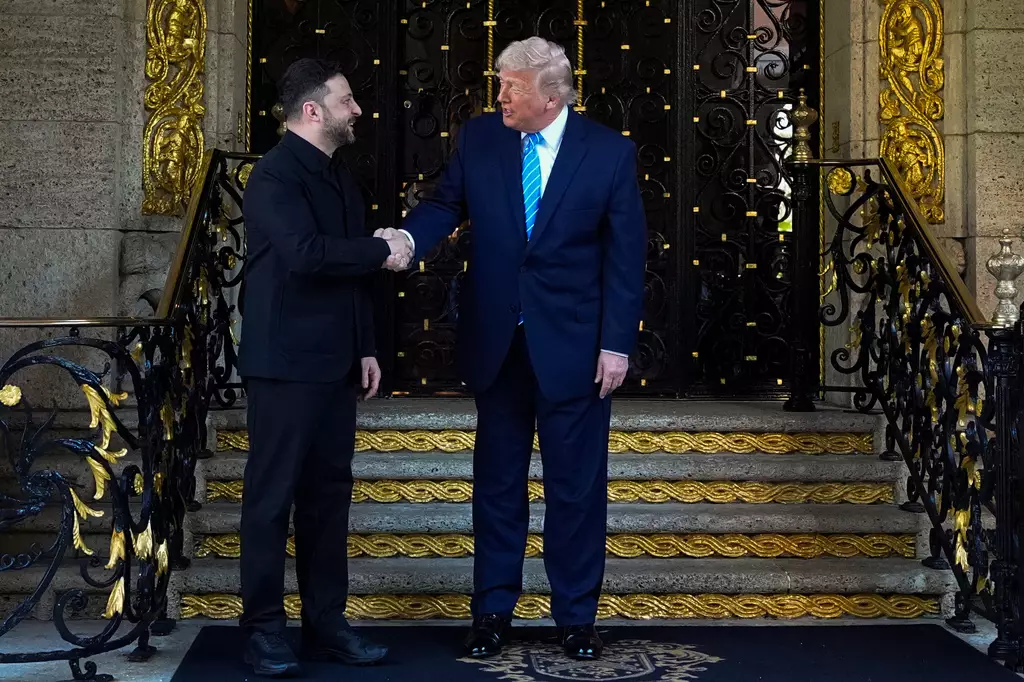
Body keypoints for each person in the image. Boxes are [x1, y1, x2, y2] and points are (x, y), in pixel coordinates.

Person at [383, 36, 646, 661]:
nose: (499, 96)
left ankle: (576, 618)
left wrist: (616, 344)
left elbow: (625, 255)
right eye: (500, 84)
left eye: (511, 88)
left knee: (575, 491)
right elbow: (444, 204)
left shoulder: (609, 152)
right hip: (498, 345)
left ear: (550, 98)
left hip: (576, 350)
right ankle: (492, 612)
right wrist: (407, 241)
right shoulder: (480, 138)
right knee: (497, 487)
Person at [236, 58, 411, 678]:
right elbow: (307, 256)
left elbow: (348, 280)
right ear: (313, 111)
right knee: (271, 500)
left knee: (329, 499)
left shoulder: (341, 177)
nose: (357, 109)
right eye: (346, 100)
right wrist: (382, 250)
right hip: (284, 364)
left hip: (336, 363)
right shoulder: (273, 175)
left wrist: (366, 346)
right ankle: (262, 631)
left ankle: (326, 625)